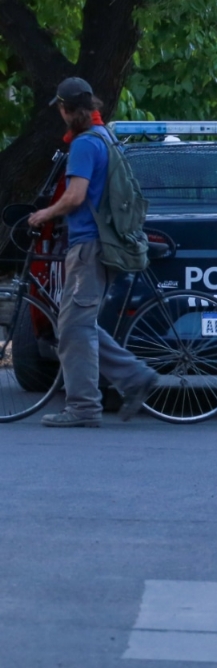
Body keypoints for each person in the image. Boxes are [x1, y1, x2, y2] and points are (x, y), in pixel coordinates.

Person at [25, 78, 161, 427]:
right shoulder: (106, 136)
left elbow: (75, 196)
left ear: (67, 110)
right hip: (102, 245)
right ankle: (135, 377)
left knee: (72, 329)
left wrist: (44, 213)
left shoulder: (85, 144)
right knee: (77, 324)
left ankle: (84, 408)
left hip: (89, 245)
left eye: (60, 108)